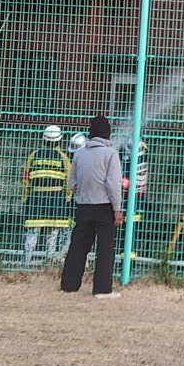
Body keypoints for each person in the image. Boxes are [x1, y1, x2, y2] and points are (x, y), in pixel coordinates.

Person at [60, 113, 122, 298]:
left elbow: (72, 183)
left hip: (83, 205)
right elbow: (113, 184)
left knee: (78, 246)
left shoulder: (79, 154)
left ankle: (69, 285)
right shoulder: (111, 154)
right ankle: (102, 289)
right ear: (108, 134)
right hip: (104, 206)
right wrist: (117, 209)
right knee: (104, 249)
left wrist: (82, 189)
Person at [21, 122, 73, 265]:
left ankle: (26, 260)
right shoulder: (63, 157)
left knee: (32, 232)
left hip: (36, 197)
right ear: (59, 140)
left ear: (43, 139)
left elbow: (26, 177)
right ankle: (50, 261)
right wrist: (68, 196)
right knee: (53, 232)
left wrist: (25, 195)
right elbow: (69, 179)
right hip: (56, 199)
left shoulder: (34, 155)